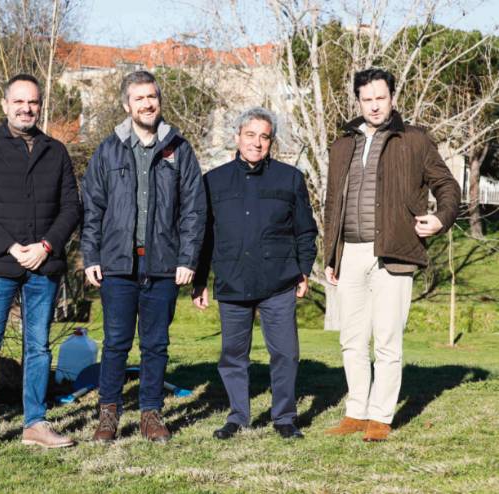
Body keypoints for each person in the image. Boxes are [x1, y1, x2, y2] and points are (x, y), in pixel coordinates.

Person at [323, 68, 460, 441]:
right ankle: (356, 411)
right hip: (349, 251)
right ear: (358, 101)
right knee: (351, 338)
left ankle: (380, 417)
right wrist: (330, 255)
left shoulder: (414, 139)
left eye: (380, 98)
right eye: (367, 99)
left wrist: (440, 219)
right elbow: (332, 202)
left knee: (386, 338)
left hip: (395, 251)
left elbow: (447, 185)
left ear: (393, 98)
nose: (374, 106)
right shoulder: (341, 144)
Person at [81, 70, 206, 443]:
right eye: (139, 98)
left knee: (156, 345)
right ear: (126, 105)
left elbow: (194, 210)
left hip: (164, 266)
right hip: (117, 265)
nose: (147, 103)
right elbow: (92, 208)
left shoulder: (179, 149)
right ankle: (108, 414)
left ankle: (150, 413)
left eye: (152, 96)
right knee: (116, 342)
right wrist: (91, 256)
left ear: (159, 101)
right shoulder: (108, 150)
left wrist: (188, 259)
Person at [0, 74, 81, 453]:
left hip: (44, 265)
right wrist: (12, 247)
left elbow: (71, 207)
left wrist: (46, 245)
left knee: (39, 346)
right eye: (20, 102)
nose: (27, 109)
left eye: (33, 103)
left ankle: (35, 423)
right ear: (5, 105)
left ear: (40, 106)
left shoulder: (55, 151)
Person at [191, 107, 317, 440]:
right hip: (233, 281)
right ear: (237, 138)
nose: (257, 143)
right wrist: (200, 279)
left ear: (271, 142)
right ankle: (238, 416)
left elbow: (305, 231)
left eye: (264, 136)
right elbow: (205, 236)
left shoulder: (290, 178)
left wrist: (303, 270)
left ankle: (285, 417)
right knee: (233, 355)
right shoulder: (213, 181)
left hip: (279, 281)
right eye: (250, 135)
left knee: (285, 353)